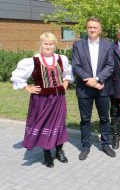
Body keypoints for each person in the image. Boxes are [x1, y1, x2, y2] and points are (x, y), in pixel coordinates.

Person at [11, 32, 73, 168]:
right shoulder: (33, 60)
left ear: (55, 45)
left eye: (51, 44)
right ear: (41, 44)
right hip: (41, 100)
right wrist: (28, 88)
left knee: (59, 124)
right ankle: (46, 153)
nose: (48, 46)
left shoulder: (61, 59)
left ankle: (59, 150)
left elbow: (68, 73)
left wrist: (66, 83)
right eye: (45, 43)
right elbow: (16, 76)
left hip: (58, 98)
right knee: (45, 124)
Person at [72, 17, 116, 160]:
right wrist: (90, 81)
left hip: (102, 87)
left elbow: (110, 66)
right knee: (85, 119)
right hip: (84, 89)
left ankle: (105, 144)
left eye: (95, 27)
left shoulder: (108, 45)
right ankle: (85, 146)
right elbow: (76, 66)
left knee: (104, 118)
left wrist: (97, 79)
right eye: (90, 27)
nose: (92, 30)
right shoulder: (78, 45)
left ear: (100, 30)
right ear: (86, 28)